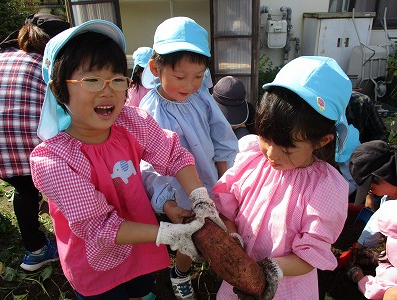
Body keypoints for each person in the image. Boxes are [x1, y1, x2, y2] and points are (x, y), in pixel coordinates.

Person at [29, 20, 222, 299]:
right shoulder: (53, 160)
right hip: (95, 263)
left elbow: (172, 154)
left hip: (140, 245)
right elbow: (100, 226)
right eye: (92, 79)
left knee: (142, 290)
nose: (107, 91)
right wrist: (169, 235)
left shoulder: (131, 122)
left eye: (117, 79)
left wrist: (200, 199)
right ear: (59, 89)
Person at [211, 56, 351, 299]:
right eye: (266, 138)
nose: (272, 155)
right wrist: (233, 240)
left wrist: (266, 272)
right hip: (240, 280)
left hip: (286, 286)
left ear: (322, 141)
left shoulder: (325, 189)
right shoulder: (253, 157)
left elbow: (309, 256)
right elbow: (228, 208)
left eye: (287, 149)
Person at [139, 16, 238, 300]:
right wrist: (166, 202)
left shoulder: (201, 97)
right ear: (156, 68)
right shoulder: (150, 111)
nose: (190, 85)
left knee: (217, 226)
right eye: (181, 77)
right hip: (180, 192)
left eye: (198, 77)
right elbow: (147, 165)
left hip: (210, 179)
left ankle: (217, 262)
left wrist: (225, 179)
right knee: (189, 235)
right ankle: (180, 273)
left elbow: (221, 137)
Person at [0, 13, 69, 272]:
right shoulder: (48, 64)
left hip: (1, 153)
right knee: (48, 181)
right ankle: (48, 248)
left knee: (24, 187)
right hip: (27, 150)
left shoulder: (0, 55)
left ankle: (34, 247)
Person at [336, 140, 397, 269]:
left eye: (370, 188)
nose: (370, 192)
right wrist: (358, 248)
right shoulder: (388, 197)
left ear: (382, 177)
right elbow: (377, 219)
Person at [346, 200, 397, 299]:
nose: (384, 239)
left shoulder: (392, 282)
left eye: (387, 237)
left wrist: (359, 278)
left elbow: (377, 290)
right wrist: (381, 259)